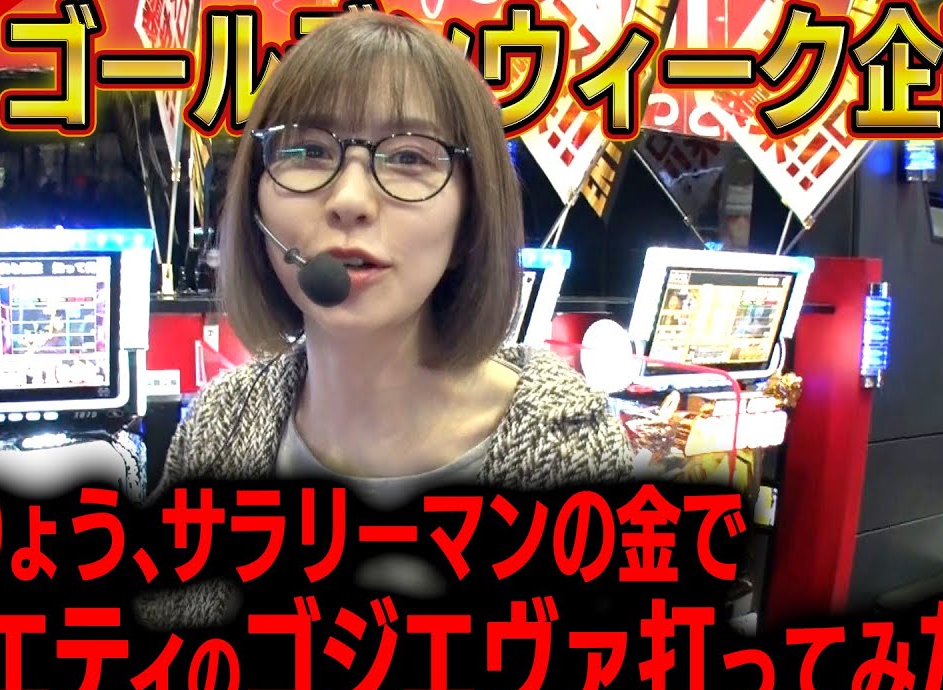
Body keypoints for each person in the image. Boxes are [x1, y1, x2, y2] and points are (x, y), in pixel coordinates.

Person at [153, 10, 633, 501]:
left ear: (469, 221)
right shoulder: (218, 427)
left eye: (408, 157)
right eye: (310, 151)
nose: (349, 200)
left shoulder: (571, 445)